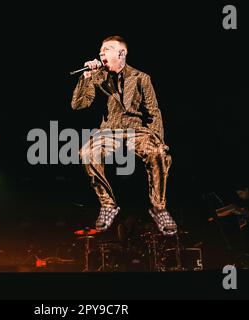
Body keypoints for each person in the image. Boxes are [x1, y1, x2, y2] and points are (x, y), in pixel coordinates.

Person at [71, 36, 176, 235]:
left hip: (136, 131)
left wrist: (158, 139)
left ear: (122, 53)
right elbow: (78, 105)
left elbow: (154, 111)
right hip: (109, 131)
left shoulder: (141, 78)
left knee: (160, 152)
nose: (102, 53)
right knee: (87, 153)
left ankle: (159, 207)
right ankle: (108, 204)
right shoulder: (97, 77)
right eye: (100, 50)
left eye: (107, 49)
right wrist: (85, 79)